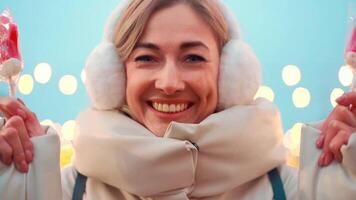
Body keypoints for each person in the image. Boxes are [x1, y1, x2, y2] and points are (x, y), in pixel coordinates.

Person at [0, 0, 356, 199]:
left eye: (193, 58)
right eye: (146, 58)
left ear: (230, 73)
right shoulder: (59, 191)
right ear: (115, 75)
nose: (169, 83)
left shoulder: (295, 191)